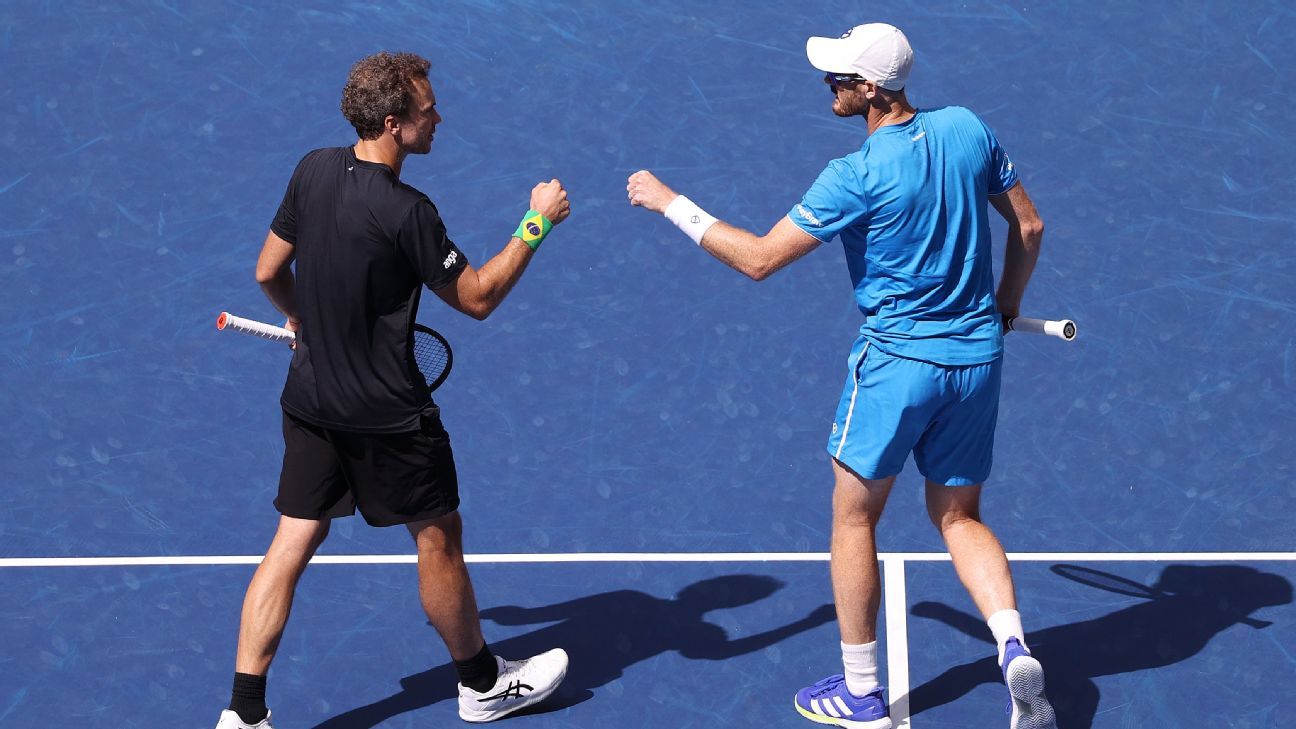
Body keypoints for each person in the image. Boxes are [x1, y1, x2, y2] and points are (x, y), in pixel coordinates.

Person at [627, 22, 1055, 729]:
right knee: (959, 515)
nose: (827, 85)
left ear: (872, 91)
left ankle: (860, 693)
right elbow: (1030, 229)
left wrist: (669, 201)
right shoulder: (969, 130)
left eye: (838, 78)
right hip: (977, 361)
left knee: (855, 516)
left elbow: (760, 258)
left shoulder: (854, 175)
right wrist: (1007, 304)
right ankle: (1012, 645)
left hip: (896, 369)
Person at [214, 51, 571, 729]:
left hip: (311, 399)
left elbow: (267, 269)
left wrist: (301, 318)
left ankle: (244, 712)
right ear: (393, 123)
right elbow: (479, 296)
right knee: (438, 537)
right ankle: (482, 684)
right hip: (390, 417)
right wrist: (538, 221)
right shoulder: (409, 211)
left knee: (291, 541)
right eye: (426, 108)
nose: (437, 116)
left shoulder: (313, 169)